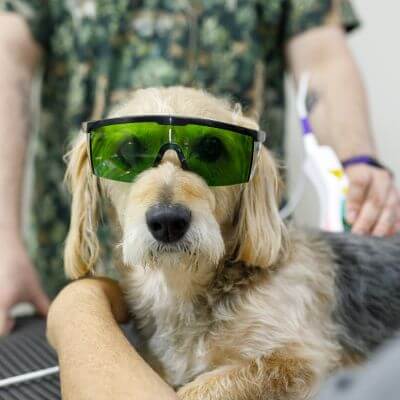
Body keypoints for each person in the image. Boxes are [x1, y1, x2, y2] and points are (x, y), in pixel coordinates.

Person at [0, 0, 399, 336]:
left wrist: (357, 159)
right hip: (86, 272)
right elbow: (8, 62)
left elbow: (323, 62)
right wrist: (3, 238)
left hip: (236, 273)